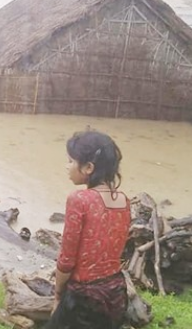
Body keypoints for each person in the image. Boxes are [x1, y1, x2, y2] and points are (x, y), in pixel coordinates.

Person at [47, 130, 131, 329]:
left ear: (88, 168)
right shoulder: (123, 200)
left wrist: (58, 295)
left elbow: (67, 260)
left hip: (84, 300)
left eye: (70, 161)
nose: (67, 166)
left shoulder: (79, 199)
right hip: (117, 294)